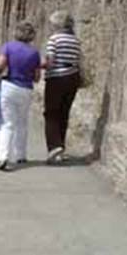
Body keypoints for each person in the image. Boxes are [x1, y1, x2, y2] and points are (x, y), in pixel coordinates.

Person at [0, 20, 42, 171]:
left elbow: (0, 65)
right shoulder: (34, 53)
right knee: (22, 122)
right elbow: (37, 77)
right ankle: (20, 154)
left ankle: (3, 156)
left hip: (9, 86)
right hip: (25, 89)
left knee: (7, 123)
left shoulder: (8, 47)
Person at [42, 10, 82, 164]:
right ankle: (60, 148)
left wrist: (40, 65)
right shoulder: (75, 40)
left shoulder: (54, 39)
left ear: (57, 25)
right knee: (64, 113)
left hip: (56, 78)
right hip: (72, 77)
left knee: (51, 113)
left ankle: (54, 148)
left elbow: (50, 60)